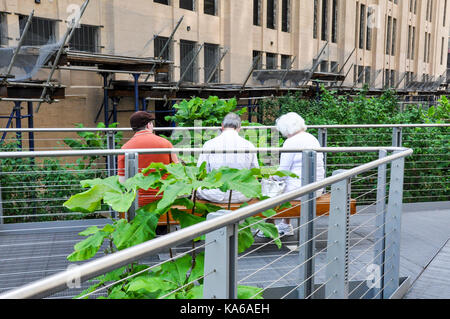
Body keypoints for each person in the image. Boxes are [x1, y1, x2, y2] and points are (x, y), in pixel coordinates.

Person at [264, 112, 325, 237]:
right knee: (289, 182)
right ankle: (285, 225)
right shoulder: (311, 138)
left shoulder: (291, 142)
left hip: (301, 190)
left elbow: (283, 172)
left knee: (269, 188)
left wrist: (271, 177)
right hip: (317, 188)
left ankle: (269, 227)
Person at [118, 111, 179, 207]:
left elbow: (122, 181)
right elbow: (178, 172)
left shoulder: (125, 148)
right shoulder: (166, 143)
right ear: (148, 125)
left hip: (137, 203)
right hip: (165, 200)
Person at [196, 113, 259, 203]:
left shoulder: (209, 144)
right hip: (242, 195)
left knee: (197, 189)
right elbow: (255, 172)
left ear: (222, 126)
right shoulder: (249, 145)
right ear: (239, 127)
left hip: (214, 194)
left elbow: (200, 171)